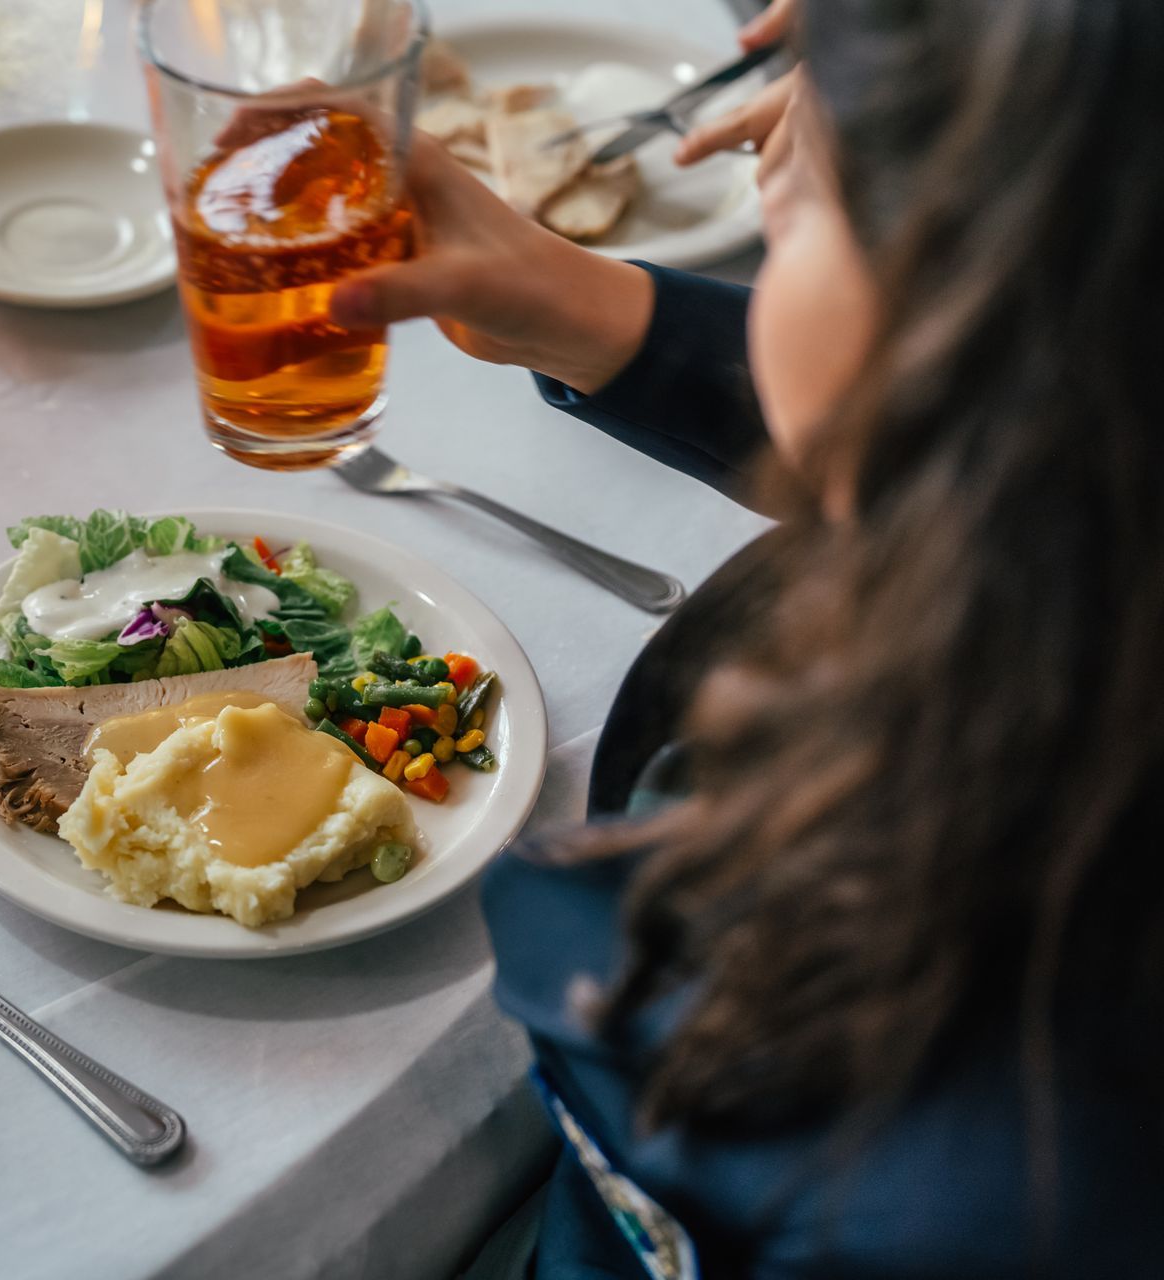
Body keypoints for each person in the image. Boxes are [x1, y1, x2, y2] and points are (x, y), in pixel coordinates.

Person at [330, 0, 1164, 1274]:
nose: (773, 187)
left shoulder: (930, 1115)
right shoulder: (1087, 536)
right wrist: (614, 321)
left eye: (808, 191)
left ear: (963, 303)